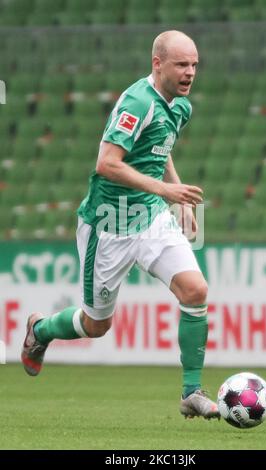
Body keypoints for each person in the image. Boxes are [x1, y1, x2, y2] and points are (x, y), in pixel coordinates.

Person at [22, 30, 220, 420]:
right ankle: (39, 330)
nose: (190, 72)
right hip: (107, 224)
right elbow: (107, 164)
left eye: (195, 64)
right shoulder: (137, 102)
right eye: (182, 64)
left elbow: (160, 150)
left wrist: (173, 195)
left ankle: (191, 392)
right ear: (157, 63)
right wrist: (166, 189)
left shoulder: (180, 107)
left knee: (195, 291)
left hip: (150, 217)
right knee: (97, 325)